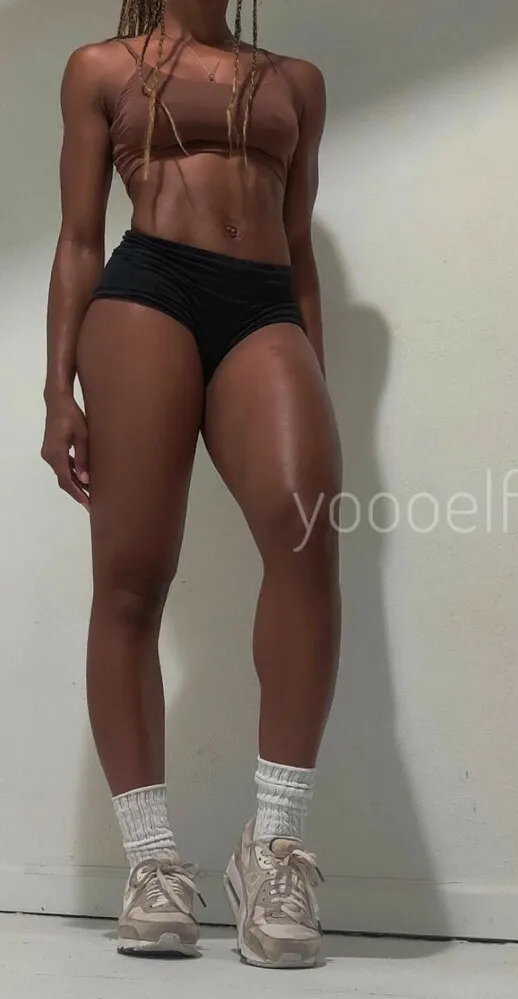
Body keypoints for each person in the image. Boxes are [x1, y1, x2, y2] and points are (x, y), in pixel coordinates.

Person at [40, 0, 340, 968]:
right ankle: (152, 862)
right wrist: (56, 390)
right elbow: (78, 239)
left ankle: (274, 847)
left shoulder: (295, 81)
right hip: (148, 290)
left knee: (307, 540)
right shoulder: (100, 66)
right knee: (134, 576)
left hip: (263, 305)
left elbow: (299, 244)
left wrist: (313, 369)